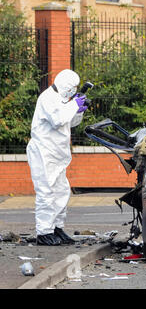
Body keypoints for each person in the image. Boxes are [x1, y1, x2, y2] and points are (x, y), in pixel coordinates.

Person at [26, 69, 88, 246]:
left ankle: (57, 227)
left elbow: (70, 122)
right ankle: (44, 231)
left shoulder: (63, 100)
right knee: (46, 192)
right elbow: (58, 119)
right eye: (71, 88)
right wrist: (74, 105)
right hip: (43, 153)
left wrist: (79, 111)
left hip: (57, 155)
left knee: (61, 191)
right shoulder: (47, 98)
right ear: (64, 85)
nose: (72, 91)